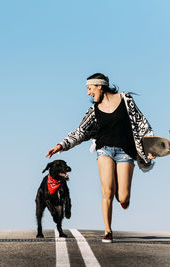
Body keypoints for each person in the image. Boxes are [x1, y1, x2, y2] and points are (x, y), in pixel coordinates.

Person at [45, 73, 155, 243]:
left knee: (124, 197)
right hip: (104, 150)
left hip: (126, 151)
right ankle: (108, 230)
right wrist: (61, 145)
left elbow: (142, 124)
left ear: (99, 86)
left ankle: (120, 189)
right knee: (106, 192)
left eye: (89, 88)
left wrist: (150, 147)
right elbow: (80, 132)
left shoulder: (126, 100)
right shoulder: (94, 111)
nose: (88, 93)